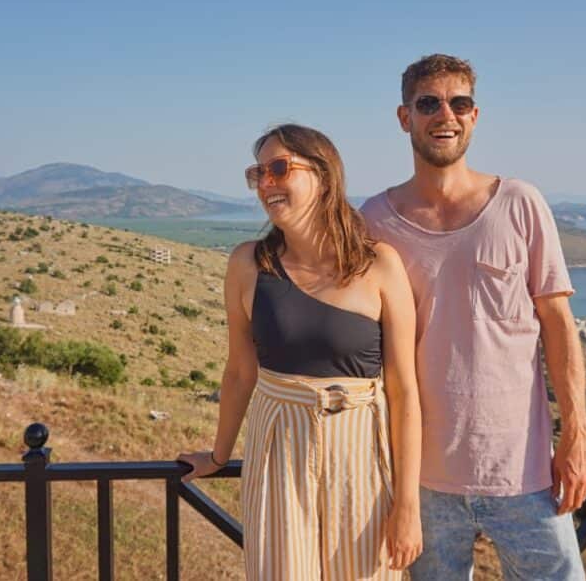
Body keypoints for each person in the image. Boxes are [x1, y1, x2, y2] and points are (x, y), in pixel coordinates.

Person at [360, 54, 586, 580]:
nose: (446, 114)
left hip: (524, 472)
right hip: (421, 479)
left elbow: (558, 322)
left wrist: (577, 433)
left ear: (474, 115)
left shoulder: (520, 202)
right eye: (429, 103)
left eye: (458, 102)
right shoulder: (373, 220)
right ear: (405, 118)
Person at [178, 124, 423, 580]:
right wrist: (218, 455)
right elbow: (238, 373)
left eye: (279, 168)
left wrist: (407, 504)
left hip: (362, 457)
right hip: (278, 451)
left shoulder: (379, 265)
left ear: (324, 176)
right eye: (258, 174)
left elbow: (404, 390)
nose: (266, 183)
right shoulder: (246, 264)